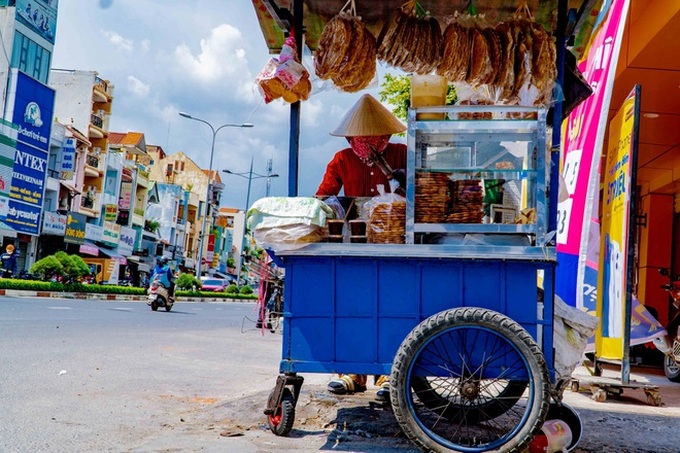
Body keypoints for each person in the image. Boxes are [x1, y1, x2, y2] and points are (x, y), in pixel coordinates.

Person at [316, 93, 407, 402]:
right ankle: (351, 372)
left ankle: (387, 373)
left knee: (391, 306)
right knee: (353, 306)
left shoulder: (401, 155)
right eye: (362, 137)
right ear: (352, 137)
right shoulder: (342, 160)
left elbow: (420, 191)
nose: (368, 142)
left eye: (376, 137)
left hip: (395, 248)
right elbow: (324, 199)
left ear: (387, 135)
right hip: (353, 247)